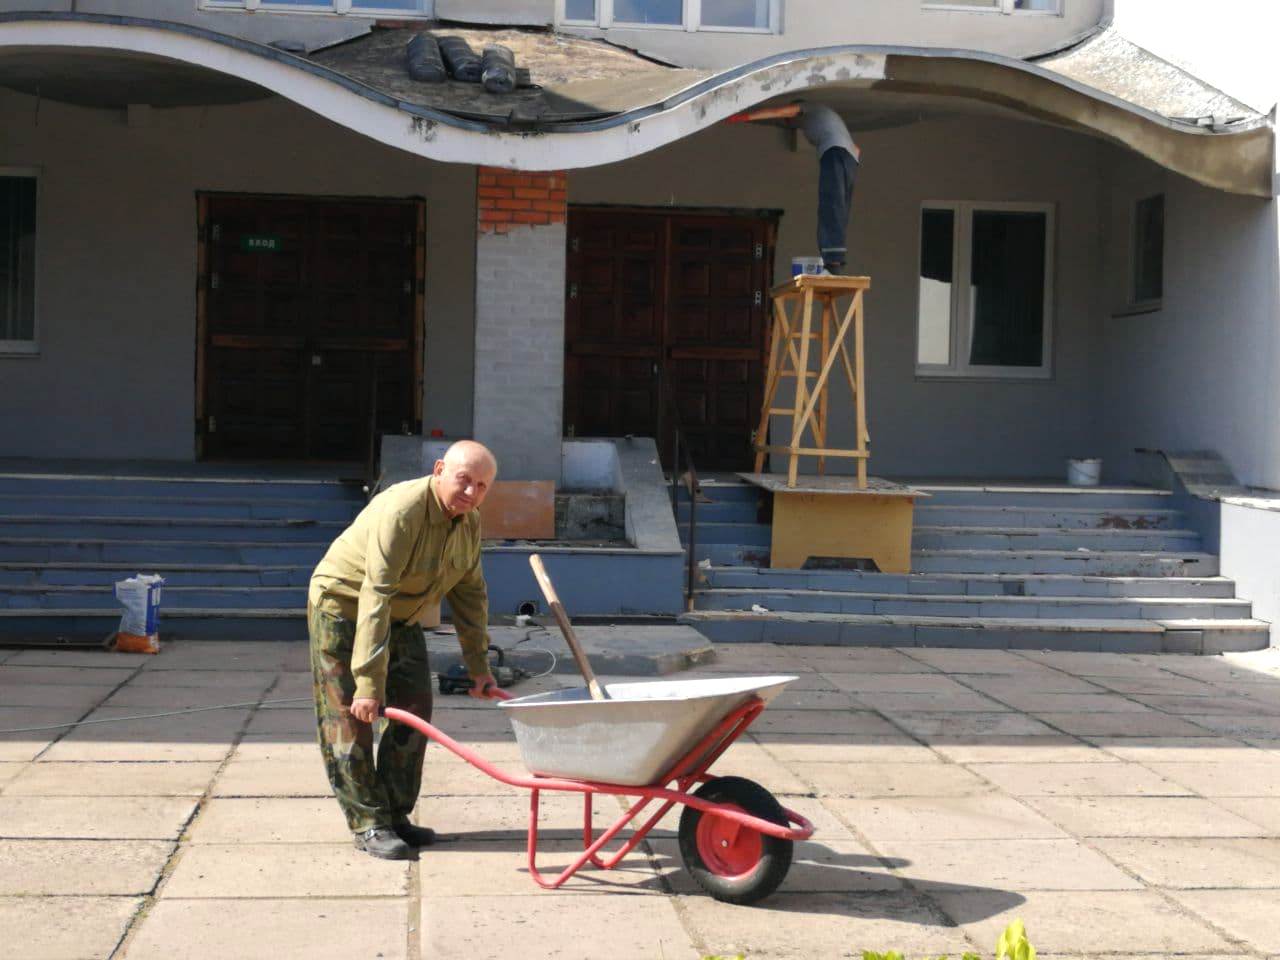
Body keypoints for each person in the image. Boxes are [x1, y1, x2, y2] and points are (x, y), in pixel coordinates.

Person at [308, 440, 499, 860]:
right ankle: (368, 824)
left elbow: (470, 594)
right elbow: (374, 596)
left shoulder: (468, 522)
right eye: (463, 480)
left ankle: (395, 814)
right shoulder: (403, 511)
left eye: (481, 486)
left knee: (414, 710)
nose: (470, 493)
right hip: (345, 606)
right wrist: (367, 685)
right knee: (350, 717)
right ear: (439, 470)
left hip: (401, 614)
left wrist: (478, 667)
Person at [729, 100, 860, 273]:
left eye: (789, 120)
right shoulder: (825, 117)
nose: (789, 123)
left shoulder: (809, 108)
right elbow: (857, 149)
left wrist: (744, 117)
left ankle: (832, 262)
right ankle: (836, 259)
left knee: (830, 205)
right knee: (840, 208)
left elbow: (779, 111)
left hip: (834, 152)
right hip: (850, 158)